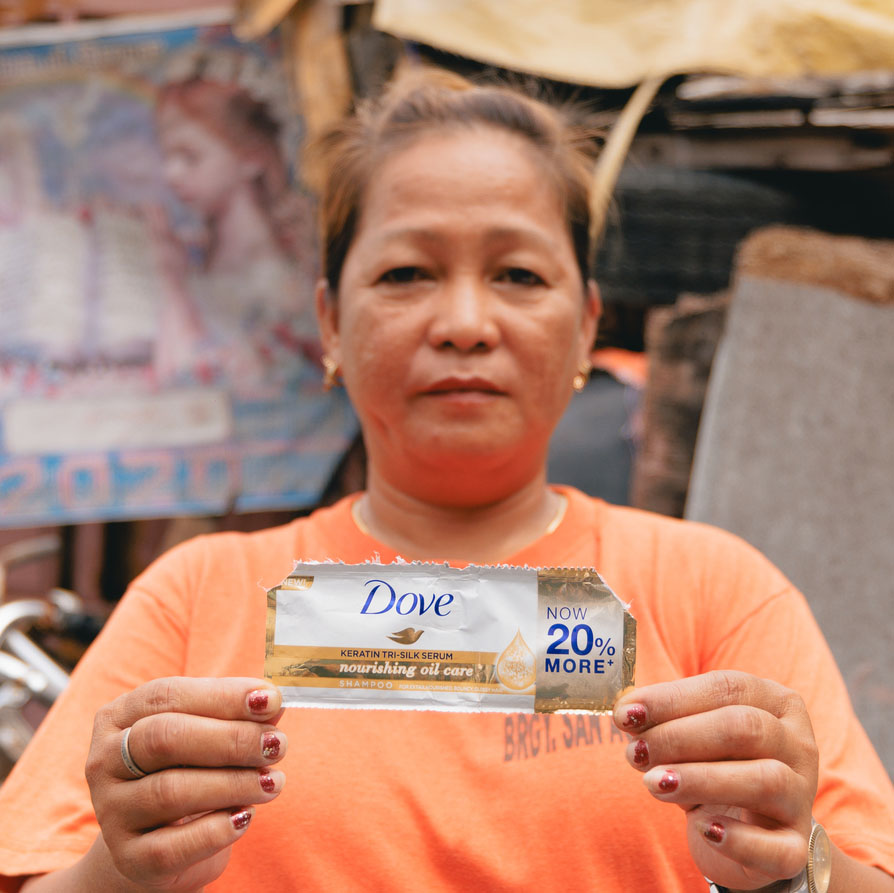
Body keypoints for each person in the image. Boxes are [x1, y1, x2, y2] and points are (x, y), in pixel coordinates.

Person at [0, 68, 892, 893]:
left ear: (586, 326)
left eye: (517, 274)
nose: (465, 321)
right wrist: (120, 868)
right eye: (406, 273)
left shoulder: (715, 591)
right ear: (331, 324)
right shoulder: (197, 594)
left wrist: (795, 858)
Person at [152, 76, 319, 394]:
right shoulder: (197, 247)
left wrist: (171, 281)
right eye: (166, 157)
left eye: (189, 157)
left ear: (250, 160)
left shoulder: (270, 267)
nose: (170, 174)